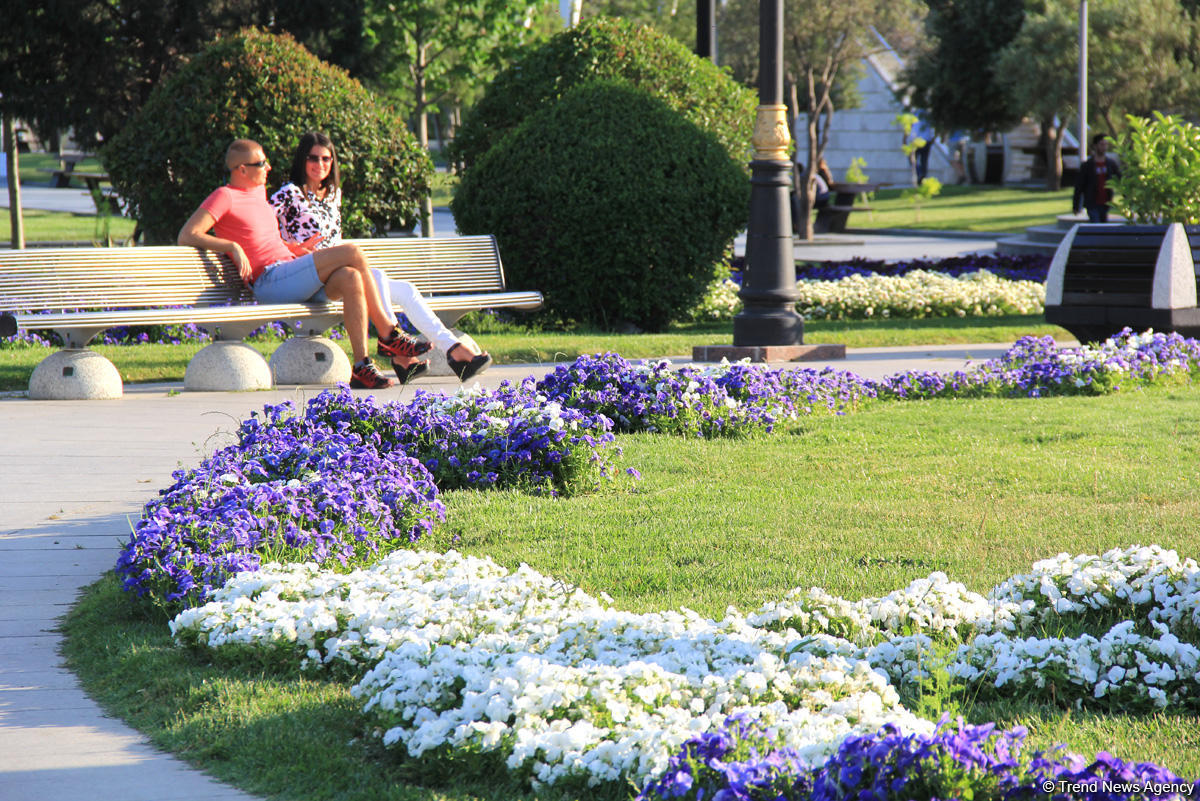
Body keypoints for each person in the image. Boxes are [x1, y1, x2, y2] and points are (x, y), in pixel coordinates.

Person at [177, 139, 490, 390]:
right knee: (352, 252)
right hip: (270, 282)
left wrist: (294, 249)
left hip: (289, 272)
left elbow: (267, 241)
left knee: (352, 276)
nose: (268, 167)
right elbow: (187, 234)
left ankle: (362, 367)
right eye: (261, 163)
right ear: (241, 169)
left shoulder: (259, 194)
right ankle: (389, 334)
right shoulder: (225, 195)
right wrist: (231, 246)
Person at [270, 132, 490, 384]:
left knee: (405, 289)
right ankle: (397, 348)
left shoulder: (332, 194)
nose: (320, 164)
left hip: (341, 275)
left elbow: (334, 239)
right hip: (311, 278)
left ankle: (449, 350)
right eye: (313, 158)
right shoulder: (287, 194)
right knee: (376, 276)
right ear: (302, 160)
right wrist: (294, 249)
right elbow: (263, 232)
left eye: (326, 159)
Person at [1073, 133, 1121, 223]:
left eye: (1106, 144)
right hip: (1092, 202)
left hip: (1106, 202)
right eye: (1102, 144)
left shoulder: (1110, 164)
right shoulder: (1087, 165)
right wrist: (1076, 205)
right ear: (1095, 146)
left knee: (1104, 227)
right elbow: (1079, 186)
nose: (1104, 147)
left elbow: (1120, 180)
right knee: (1096, 224)